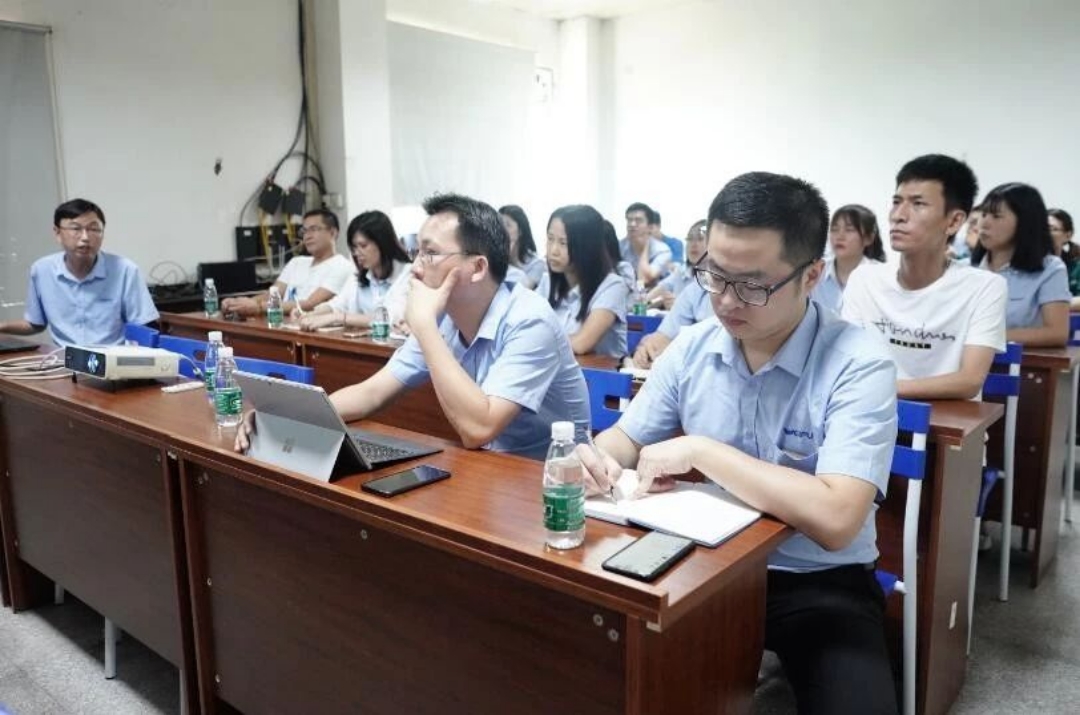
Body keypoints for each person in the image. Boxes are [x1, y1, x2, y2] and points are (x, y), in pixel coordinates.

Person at [582, 171, 899, 715]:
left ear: (811, 275)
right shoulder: (693, 345)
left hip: (814, 582)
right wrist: (594, 458)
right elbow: (625, 438)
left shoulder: (859, 362)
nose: (726, 301)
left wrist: (701, 451)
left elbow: (837, 519)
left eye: (752, 285)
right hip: (696, 565)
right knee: (584, 664)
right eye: (715, 275)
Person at [236, 193, 590, 461]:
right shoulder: (444, 317)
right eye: (416, 252)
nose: (416, 267)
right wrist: (280, 415)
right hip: (491, 468)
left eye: (430, 253)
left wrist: (423, 325)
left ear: (478, 267)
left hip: (553, 483)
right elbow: (371, 393)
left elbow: (478, 429)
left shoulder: (529, 320)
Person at [843, 154, 1006, 400]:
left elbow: (970, 380)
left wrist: (881, 388)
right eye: (896, 201)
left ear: (954, 222)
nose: (898, 215)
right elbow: (847, 361)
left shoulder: (985, 287)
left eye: (918, 204)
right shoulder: (865, 279)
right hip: (869, 415)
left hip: (948, 421)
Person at [0, 198, 158, 347]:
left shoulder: (125, 270)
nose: (85, 237)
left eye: (94, 229)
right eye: (75, 228)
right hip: (63, 360)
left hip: (111, 360)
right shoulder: (42, 270)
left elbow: (144, 327)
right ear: (57, 233)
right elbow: (36, 323)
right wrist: (3, 326)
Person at [970, 183, 1069, 347]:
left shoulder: (1050, 269)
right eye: (984, 214)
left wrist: (985, 337)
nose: (983, 224)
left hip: (1018, 361)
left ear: (1024, 222)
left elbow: (1056, 333)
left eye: (996, 216)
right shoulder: (965, 268)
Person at [221, 208, 353, 317]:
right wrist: (240, 303)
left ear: (333, 233)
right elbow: (272, 294)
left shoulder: (342, 266)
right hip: (280, 323)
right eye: (304, 231)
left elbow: (310, 304)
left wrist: (258, 307)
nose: (307, 236)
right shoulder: (297, 262)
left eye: (314, 229)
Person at [537, 205, 630, 357]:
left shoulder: (613, 286)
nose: (553, 250)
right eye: (550, 239)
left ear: (587, 247)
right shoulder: (547, 283)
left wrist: (534, 342)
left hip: (596, 371)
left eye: (563, 243)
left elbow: (581, 344)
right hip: (554, 368)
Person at [298, 210, 412, 332]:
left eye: (363, 246)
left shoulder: (408, 275)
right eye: (354, 247)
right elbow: (337, 305)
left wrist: (338, 318)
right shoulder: (358, 276)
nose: (357, 253)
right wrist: (311, 314)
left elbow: (392, 317)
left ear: (383, 243)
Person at [812, 204, 886, 313]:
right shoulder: (815, 272)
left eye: (849, 230)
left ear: (868, 238)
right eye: (834, 229)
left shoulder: (881, 276)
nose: (840, 236)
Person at [646, 219, 707, 309]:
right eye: (690, 239)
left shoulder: (718, 278)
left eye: (700, 239)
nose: (693, 244)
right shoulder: (681, 272)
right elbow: (646, 302)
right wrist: (658, 301)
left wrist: (679, 307)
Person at [620, 202, 672, 287]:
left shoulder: (662, 251)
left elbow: (645, 279)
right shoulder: (621, 246)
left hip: (653, 293)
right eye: (629, 220)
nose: (632, 224)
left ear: (650, 227)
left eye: (638, 221)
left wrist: (645, 246)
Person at [498, 205, 545, 289]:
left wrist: (505, 256)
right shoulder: (493, 256)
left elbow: (522, 290)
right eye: (500, 224)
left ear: (520, 231)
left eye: (508, 225)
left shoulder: (537, 263)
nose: (502, 229)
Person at [1047, 208, 1080, 307]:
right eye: (1042, 228)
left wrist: (1051, 306)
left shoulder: (1076, 268)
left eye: (1052, 229)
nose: (1045, 234)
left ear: (1068, 235)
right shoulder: (1026, 267)